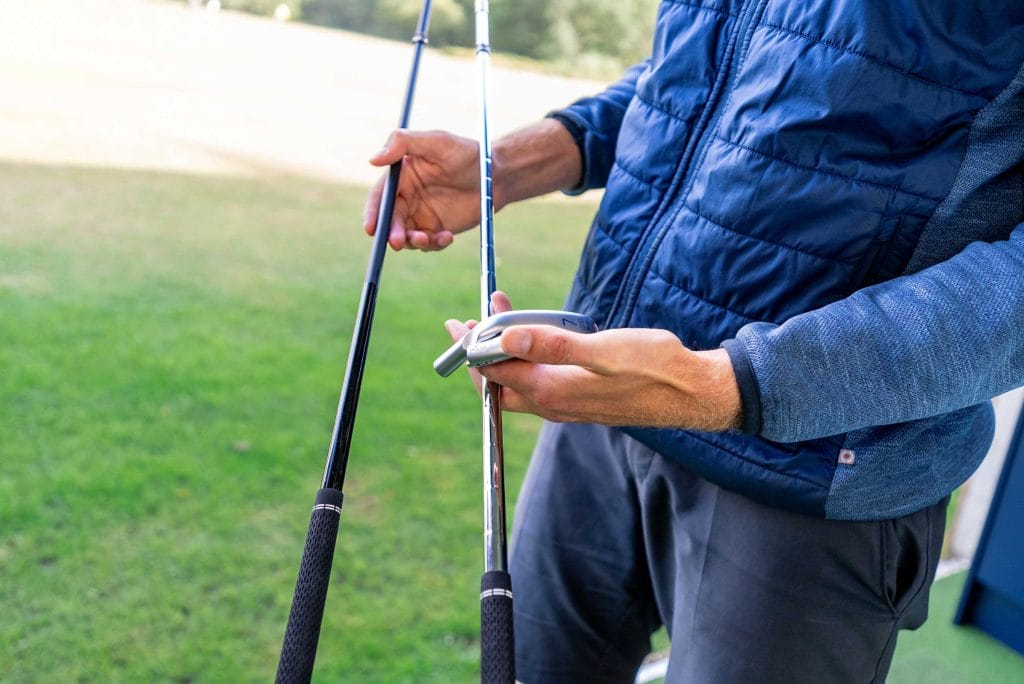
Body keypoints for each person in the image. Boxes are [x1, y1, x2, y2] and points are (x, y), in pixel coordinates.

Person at [363, 3, 1024, 682]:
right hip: (601, 400)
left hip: (814, 472)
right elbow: (705, 78)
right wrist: (506, 165)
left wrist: (729, 384)